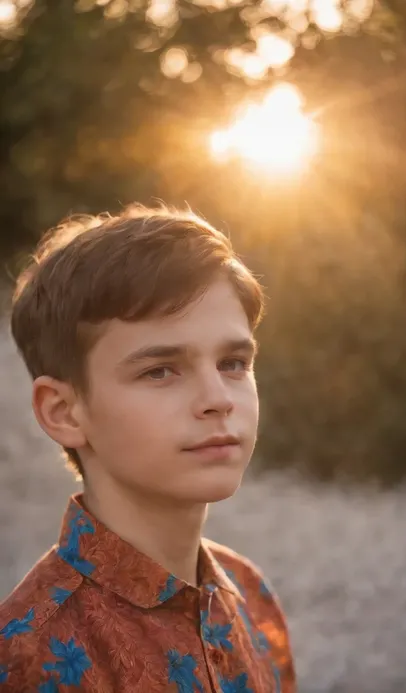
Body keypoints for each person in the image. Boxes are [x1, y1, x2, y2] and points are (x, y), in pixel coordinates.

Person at [0, 205, 296, 692]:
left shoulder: (249, 592)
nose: (218, 399)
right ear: (63, 411)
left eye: (234, 363)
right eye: (160, 370)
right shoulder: (29, 659)